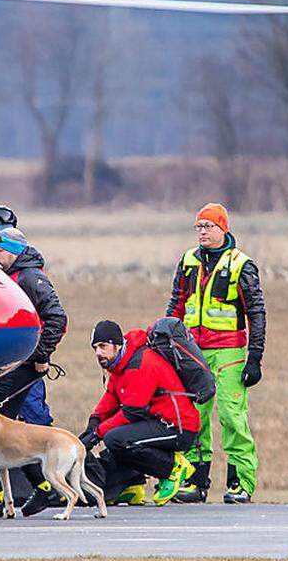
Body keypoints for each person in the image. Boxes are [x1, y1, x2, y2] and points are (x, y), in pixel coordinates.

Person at [0, 227, 68, 518]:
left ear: (15, 251)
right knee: (0, 429)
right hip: (9, 363)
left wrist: (41, 355)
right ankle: (8, 495)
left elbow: (58, 317)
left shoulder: (31, 278)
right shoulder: (9, 275)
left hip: (24, 365)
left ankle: (30, 489)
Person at [166, 203, 266, 504]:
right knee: (195, 417)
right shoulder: (187, 261)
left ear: (223, 228)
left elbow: (256, 312)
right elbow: (176, 304)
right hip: (193, 352)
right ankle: (195, 482)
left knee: (232, 416)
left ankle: (240, 483)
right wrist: (166, 340)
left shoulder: (241, 265)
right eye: (198, 227)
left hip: (230, 353)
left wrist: (255, 357)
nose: (202, 232)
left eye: (208, 227)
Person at [80, 320, 199, 506]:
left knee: (117, 439)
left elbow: (132, 413)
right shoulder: (121, 362)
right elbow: (112, 395)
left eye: (103, 346)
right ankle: (131, 487)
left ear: (117, 345)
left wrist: (97, 434)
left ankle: (173, 467)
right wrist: (94, 421)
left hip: (178, 427)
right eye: (95, 347)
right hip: (158, 420)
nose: (98, 353)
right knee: (117, 436)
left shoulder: (140, 364)